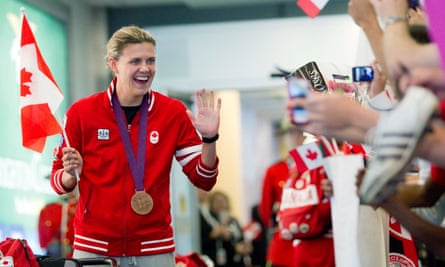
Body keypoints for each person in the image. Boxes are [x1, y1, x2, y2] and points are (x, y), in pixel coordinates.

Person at [49, 25, 221, 267]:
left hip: (155, 247)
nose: (145, 68)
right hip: (94, 247)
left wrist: (210, 140)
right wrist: (69, 173)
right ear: (113, 64)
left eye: (151, 61)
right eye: (136, 61)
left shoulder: (172, 113)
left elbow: (204, 179)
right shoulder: (82, 113)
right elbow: (57, 183)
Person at [258, 121, 306, 267]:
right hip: (284, 244)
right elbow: (266, 211)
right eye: (292, 132)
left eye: (301, 132)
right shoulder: (274, 171)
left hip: (311, 240)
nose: (297, 137)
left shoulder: (316, 166)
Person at [199, 190, 252, 267]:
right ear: (211, 204)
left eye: (223, 201)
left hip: (237, 262)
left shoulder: (233, 221)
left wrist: (244, 247)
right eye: (217, 201)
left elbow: (241, 239)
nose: (221, 204)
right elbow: (202, 242)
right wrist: (214, 234)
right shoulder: (208, 221)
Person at [38, 191, 77, 258]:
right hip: (55, 250)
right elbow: (42, 230)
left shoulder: (79, 205)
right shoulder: (49, 208)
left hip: (74, 248)